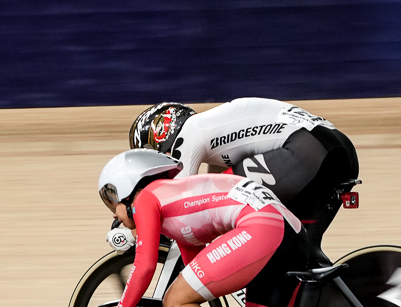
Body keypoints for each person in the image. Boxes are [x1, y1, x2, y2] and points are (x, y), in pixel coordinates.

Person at [97, 148, 312, 307]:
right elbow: (194, 282)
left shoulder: (145, 199)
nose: (112, 213)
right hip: (290, 232)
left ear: (127, 187)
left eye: (110, 199)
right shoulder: (176, 204)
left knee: (176, 301)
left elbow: (144, 266)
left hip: (263, 226)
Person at [129, 99, 359, 250]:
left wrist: (138, 224)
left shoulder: (190, 132)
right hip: (340, 152)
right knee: (301, 250)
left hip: (308, 152)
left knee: (242, 221)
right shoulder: (217, 138)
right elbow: (209, 203)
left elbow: (179, 203)